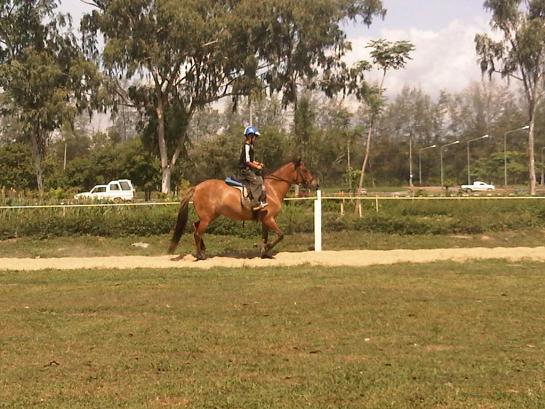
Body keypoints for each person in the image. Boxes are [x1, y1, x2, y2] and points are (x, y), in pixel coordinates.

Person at [239, 126, 268, 211]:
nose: (255, 139)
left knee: (260, 179)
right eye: (255, 136)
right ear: (250, 136)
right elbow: (247, 161)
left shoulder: (250, 146)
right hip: (245, 170)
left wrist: (258, 164)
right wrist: (256, 166)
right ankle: (255, 203)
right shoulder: (246, 146)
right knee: (257, 181)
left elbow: (252, 160)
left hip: (248, 169)